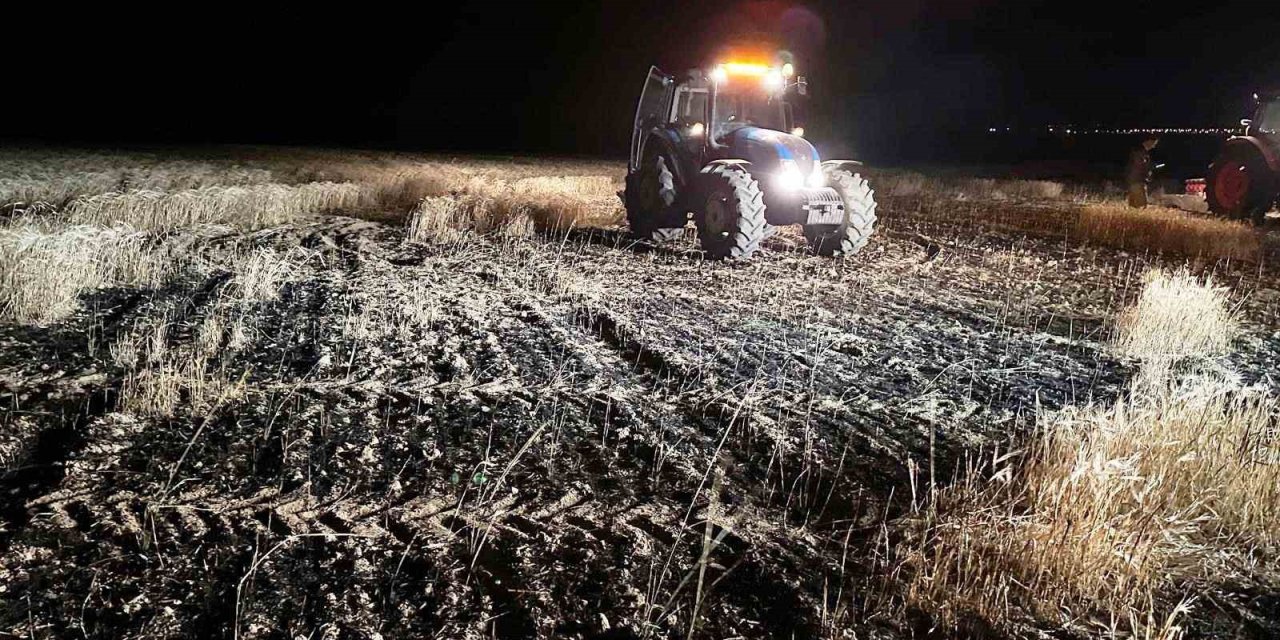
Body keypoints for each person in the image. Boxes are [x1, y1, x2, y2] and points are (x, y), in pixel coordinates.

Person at [1126, 135, 1160, 208]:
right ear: (1149, 141)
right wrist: (1147, 172)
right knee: (1141, 205)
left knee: (1134, 206)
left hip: (1135, 180)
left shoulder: (1141, 152)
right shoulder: (1140, 153)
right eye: (1154, 144)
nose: (1154, 146)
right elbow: (1139, 167)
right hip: (1137, 181)